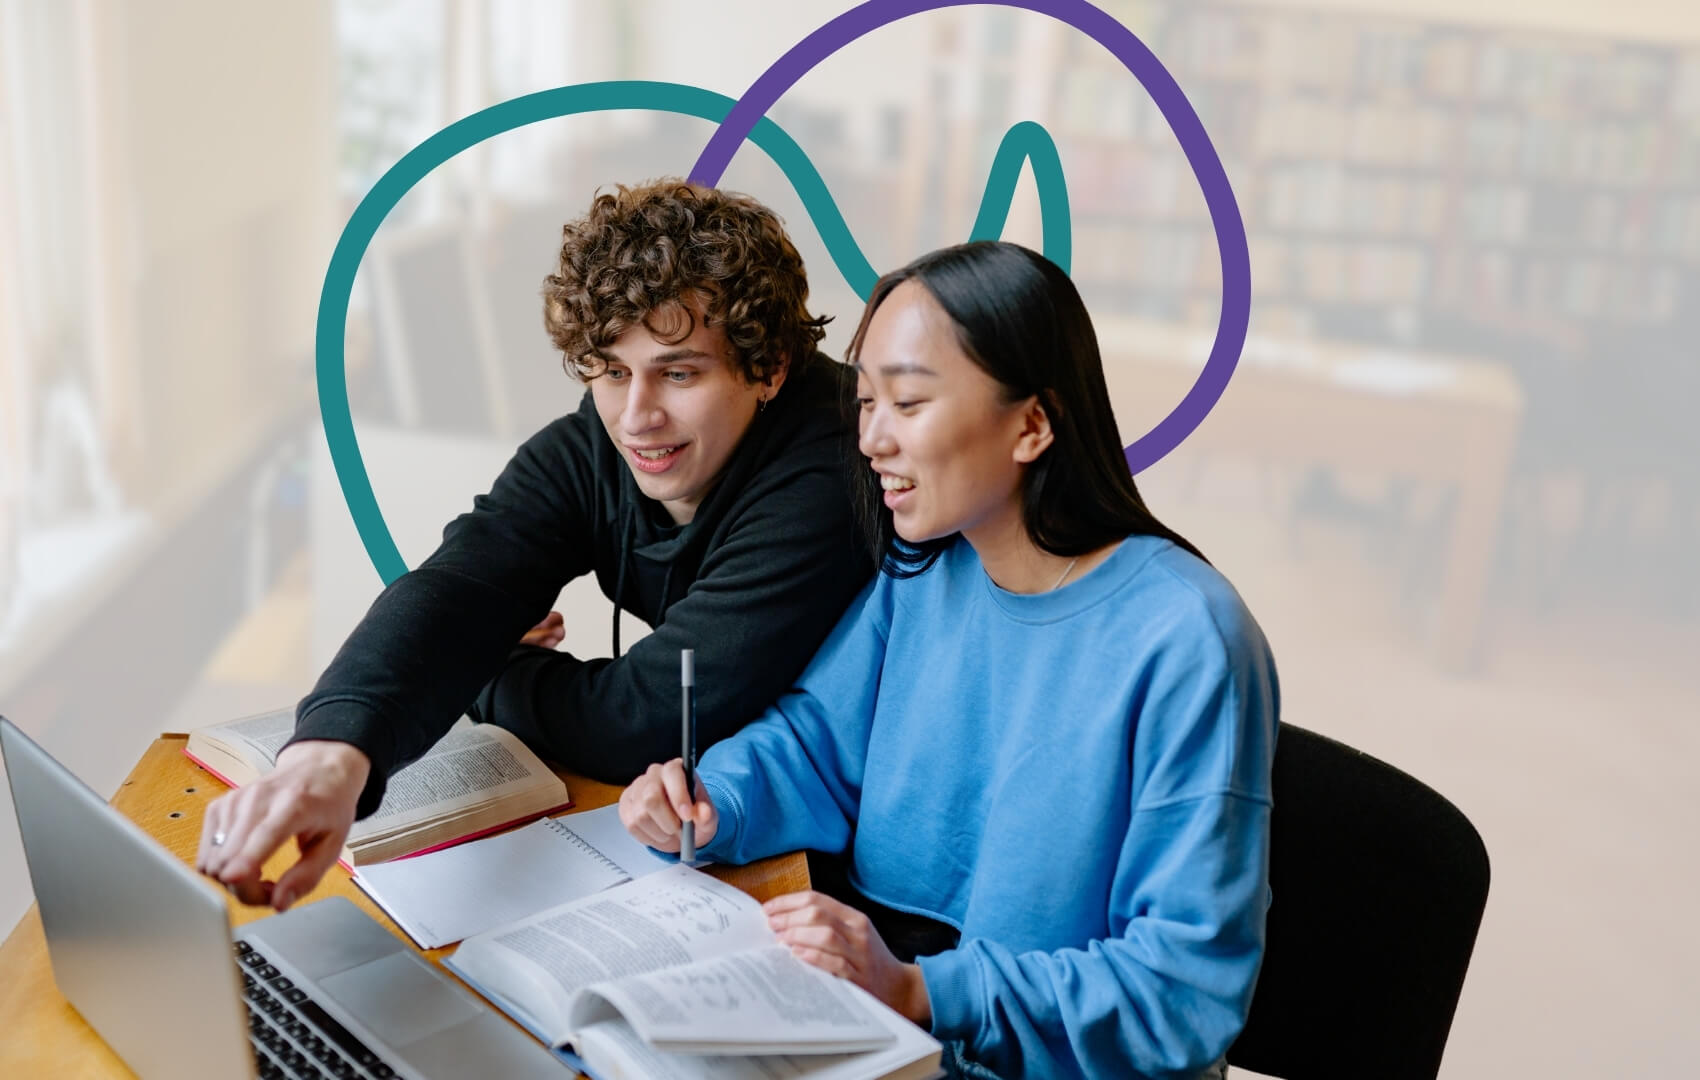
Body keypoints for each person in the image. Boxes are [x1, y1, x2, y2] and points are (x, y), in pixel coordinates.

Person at [619, 241, 1279, 1079]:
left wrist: (924, 991)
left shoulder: (1189, 639)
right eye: (865, 403)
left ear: (1033, 423)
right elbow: (818, 741)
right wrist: (716, 799)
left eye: (908, 402)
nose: (871, 440)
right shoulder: (928, 566)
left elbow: (1177, 991)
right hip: (901, 1033)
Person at [197, 180, 871, 912]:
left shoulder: (835, 469)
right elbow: (463, 585)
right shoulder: (597, 438)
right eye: (612, 370)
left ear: (768, 367)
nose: (636, 417)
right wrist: (329, 756)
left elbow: (642, 719)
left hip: (844, 876)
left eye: (678, 373)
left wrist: (493, 665)